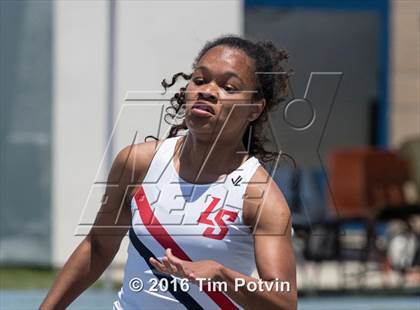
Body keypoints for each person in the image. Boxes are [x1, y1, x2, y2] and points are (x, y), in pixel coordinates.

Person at [40, 35, 297, 310]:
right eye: (200, 79)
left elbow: (282, 300)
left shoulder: (260, 196)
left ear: (254, 110)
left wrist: (221, 275)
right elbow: (98, 246)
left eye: (229, 87)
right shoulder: (138, 163)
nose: (208, 91)